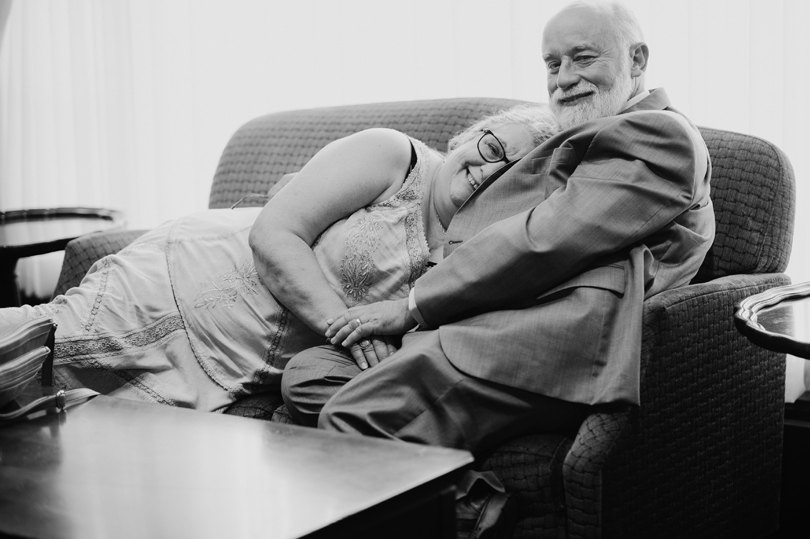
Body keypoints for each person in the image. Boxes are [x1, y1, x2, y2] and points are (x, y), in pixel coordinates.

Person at [279, 0, 716, 462]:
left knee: (351, 417)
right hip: (487, 316)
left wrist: (412, 306)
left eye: (583, 57)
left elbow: (545, 239)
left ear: (637, 59)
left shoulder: (661, 137)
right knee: (309, 374)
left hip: (534, 340)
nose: (564, 77)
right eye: (552, 64)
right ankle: (460, 489)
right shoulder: (600, 134)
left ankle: (478, 513)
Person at [0, 104, 559, 411]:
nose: (488, 171)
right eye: (491, 148)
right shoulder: (394, 155)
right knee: (28, 357)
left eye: (509, 174)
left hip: (236, 370)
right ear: (467, 136)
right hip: (180, 286)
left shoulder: (478, 253)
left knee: (55, 431)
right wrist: (354, 331)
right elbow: (275, 234)